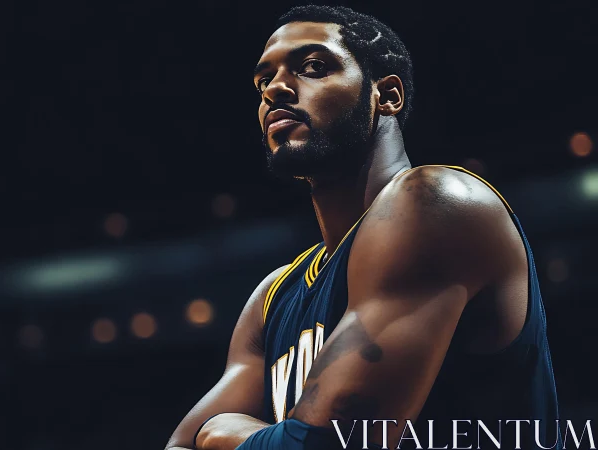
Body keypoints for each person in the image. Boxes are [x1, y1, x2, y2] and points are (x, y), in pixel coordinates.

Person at [165, 5, 560, 450]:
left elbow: (329, 444)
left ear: (386, 95)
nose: (275, 89)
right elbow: (178, 445)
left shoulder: (438, 203)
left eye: (313, 67)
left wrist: (221, 435)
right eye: (263, 82)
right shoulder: (273, 296)